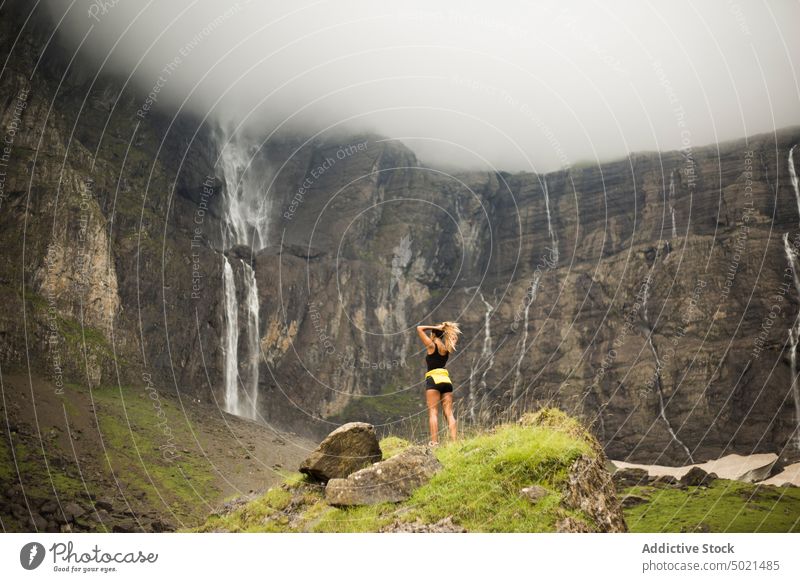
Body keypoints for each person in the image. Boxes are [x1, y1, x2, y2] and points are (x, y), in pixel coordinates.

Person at [415, 321, 462, 446]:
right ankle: (454, 441)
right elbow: (454, 337)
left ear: (433, 334)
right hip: (446, 381)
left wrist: (436, 328)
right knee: (449, 412)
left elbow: (419, 328)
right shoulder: (447, 348)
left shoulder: (431, 345)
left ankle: (434, 443)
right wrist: (444, 329)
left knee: (433, 412)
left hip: (434, 380)